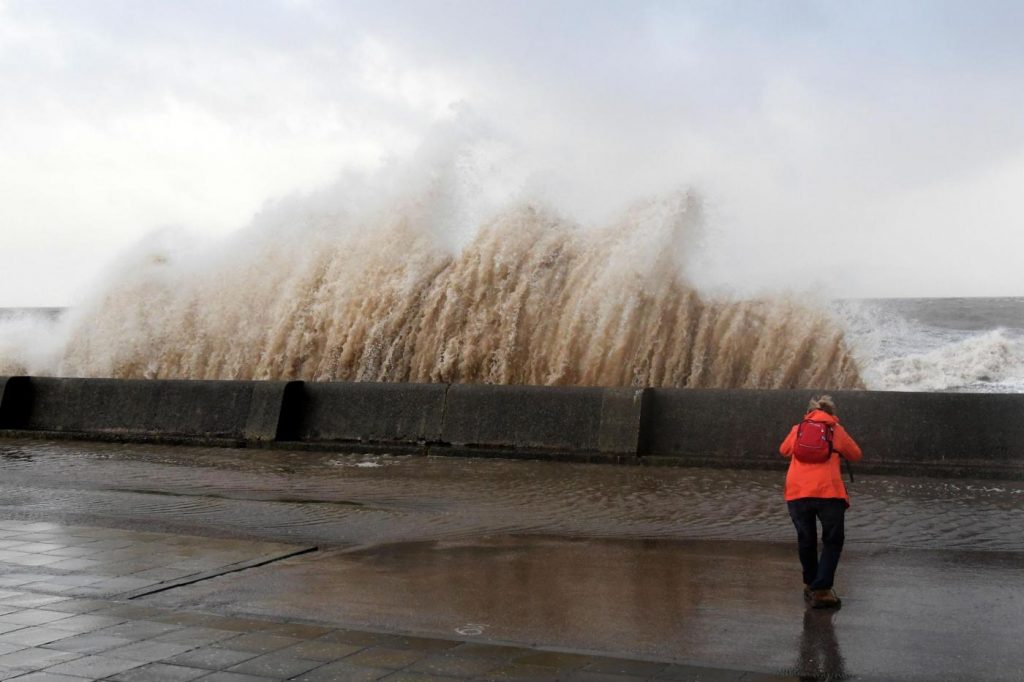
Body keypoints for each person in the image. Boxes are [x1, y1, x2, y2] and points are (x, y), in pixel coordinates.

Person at [779, 395, 862, 609]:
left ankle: (810, 584)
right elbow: (855, 454)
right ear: (832, 413)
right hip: (829, 493)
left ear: (809, 413)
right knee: (832, 541)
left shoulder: (798, 428)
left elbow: (784, 450)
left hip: (797, 492)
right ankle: (822, 590)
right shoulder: (835, 430)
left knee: (806, 539)